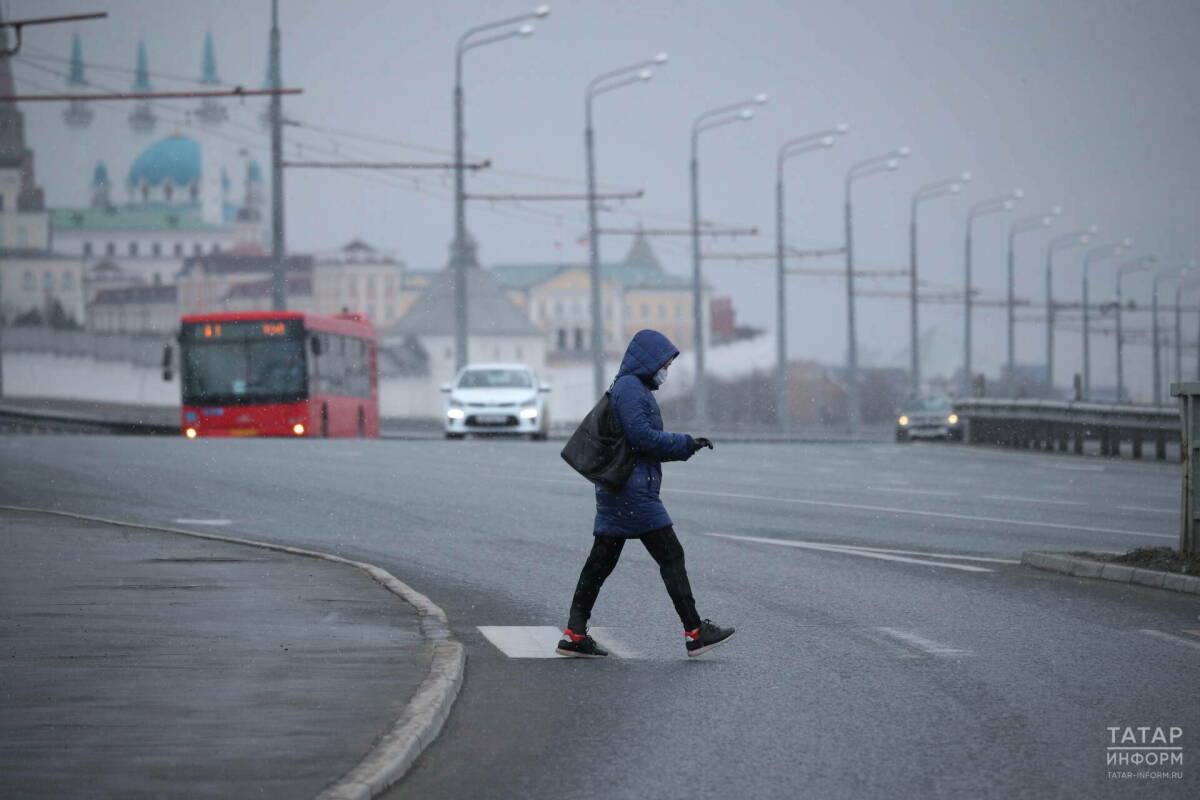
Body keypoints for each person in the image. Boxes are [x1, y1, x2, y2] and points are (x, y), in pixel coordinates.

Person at [556, 329, 735, 659]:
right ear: (649, 361)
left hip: (620, 489)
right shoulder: (631, 390)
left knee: (599, 563)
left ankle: (574, 633)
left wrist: (683, 447)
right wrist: (684, 443)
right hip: (633, 493)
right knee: (671, 556)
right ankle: (695, 632)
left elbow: (640, 441)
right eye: (664, 363)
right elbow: (642, 438)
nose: (666, 370)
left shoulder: (629, 388)